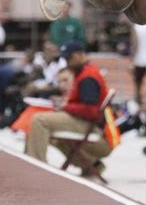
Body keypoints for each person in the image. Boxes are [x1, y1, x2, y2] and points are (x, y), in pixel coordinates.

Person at [25, 41, 113, 178]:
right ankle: (92, 165)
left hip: (93, 129)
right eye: (65, 59)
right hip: (86, 124)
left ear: (80, 55)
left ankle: (37, 167)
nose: (67, 62)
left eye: (69, 58)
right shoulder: (85, 72)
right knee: (53, 137)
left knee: (39, 120)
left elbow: (90, 111)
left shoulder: (88, 77)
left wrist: (65, 106)